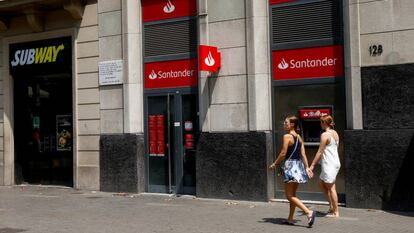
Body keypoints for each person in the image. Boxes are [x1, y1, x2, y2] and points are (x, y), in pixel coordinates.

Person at [269, 116, 316, 227]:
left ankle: (308, 212)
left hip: (290, 166)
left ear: (292, 124)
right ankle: (290, 219)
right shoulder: (299, 137)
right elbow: (303, 154)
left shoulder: (287, 136)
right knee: (293, 195)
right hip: (298, 166)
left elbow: (283, 153)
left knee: (289, 196)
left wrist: (275, 164)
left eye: (286, 122)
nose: (284, 124)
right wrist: (307, 167)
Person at [308, 115, 341, 217]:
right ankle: (331, 206)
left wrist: (312, 165)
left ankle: (335, 212)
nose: (319, 124)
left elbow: (320, 151)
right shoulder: (335, 133)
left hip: (329, 164)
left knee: (331, 188)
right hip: (335, 162)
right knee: (321, 184)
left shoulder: (325, 135)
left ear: (324, 123)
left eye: (320, 122)